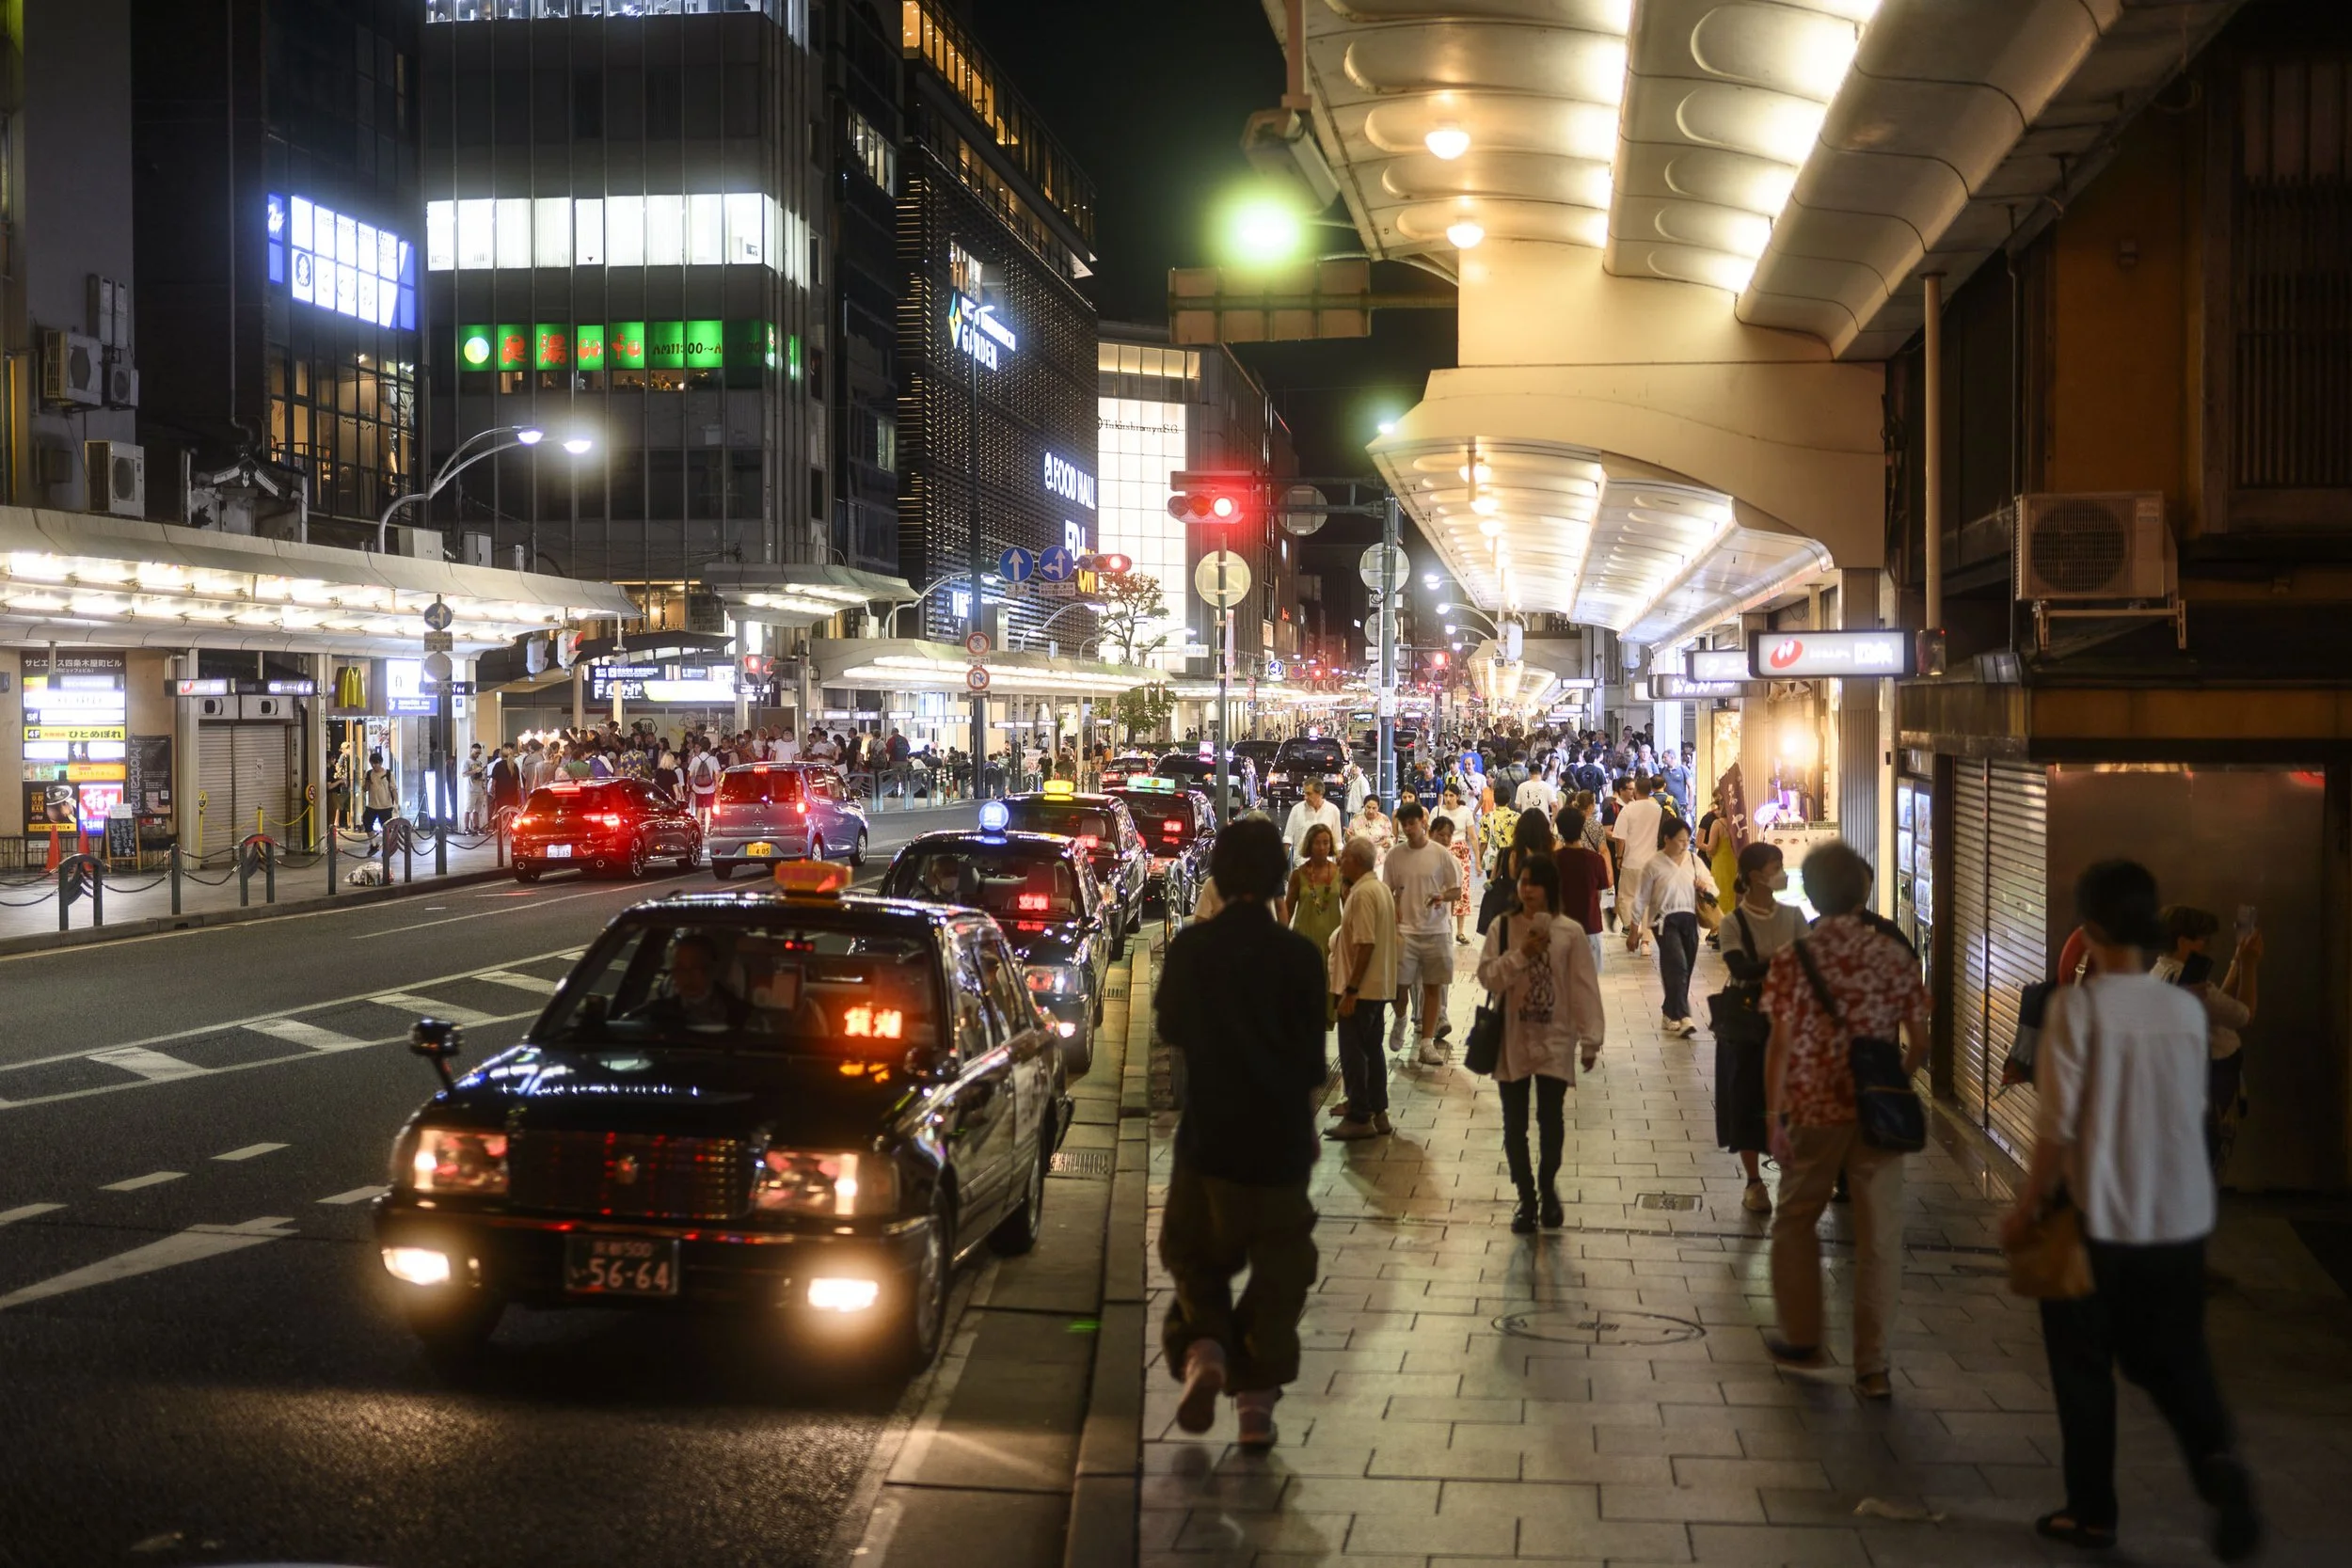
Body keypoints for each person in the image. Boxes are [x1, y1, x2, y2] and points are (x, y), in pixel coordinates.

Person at [2006, 860, 2260, 1560]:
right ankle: (2217, 1460)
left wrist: (2027, 1208)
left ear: (2087, 931)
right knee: (2173, 1358)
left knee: (2084, 1365)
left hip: (2099, 1218)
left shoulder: (2077, 1012)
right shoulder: (2182, 1008)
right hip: (2178, 1218)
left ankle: (2092, 1512)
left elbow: (2056, 1131)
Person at [1153, 817, 1330, 1453]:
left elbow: (1170, 1026)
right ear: (1281, 877)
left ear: (1220, 875)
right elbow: (1315, 1061)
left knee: (1192, 1253)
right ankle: (1256, 1404)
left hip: (1210, 1140)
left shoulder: (1194, 951)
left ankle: (1204, 1347)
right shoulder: (1300, 958)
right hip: (1281, 1144)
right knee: (1282, 1271)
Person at [1760, 842, 1929, 1401]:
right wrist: (1894, 1078)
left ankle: (1804, 1337)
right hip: (1875, 1116)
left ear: (1810, 894)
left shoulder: (1793, 957)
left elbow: (1780, 1043)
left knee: (1794, 1220)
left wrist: (1772, 1114)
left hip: (1813, 1108)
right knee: (1879, 1239)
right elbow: (1921, 1039)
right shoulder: (1893, 956)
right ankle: (1873, 1367)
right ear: (1864, 892)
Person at [1474, 854, 1605, 1234]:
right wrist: (1522, 954)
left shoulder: (1570, 932)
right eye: (1523, 881)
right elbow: (1487, 979)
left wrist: (1591, 1039)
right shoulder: (1503, 927)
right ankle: (1526, 1198)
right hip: (1512, 1038)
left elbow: (1584, 987)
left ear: (1550, 888)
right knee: (1514, 1125)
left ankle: (1548, 1188)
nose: (1526, 889)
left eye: (1534, 882)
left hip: (1555, 1039)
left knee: (1551, 1121)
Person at [1717, 843, 1804, 1212]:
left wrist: (1770, 963)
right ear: (1755, 875)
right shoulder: (1732, 922)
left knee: (1790, 1097)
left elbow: (1808, 964)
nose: (1782, 872)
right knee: (1746, 1097)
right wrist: (1783, 962)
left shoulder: (1794, 914)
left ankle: (1790, 1174)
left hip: (1789, 1018)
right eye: (1776, 866)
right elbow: (1740, 968)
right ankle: (1754, 1182)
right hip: (1747, 1021)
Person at [2150, 906, 2262, 1180]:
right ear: (2182, 941)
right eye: (2202, 939)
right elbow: (2244, 1015)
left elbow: (2216, 1006)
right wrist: (2249, 965)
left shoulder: (2161, 971)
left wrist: (2236, 963)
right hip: (2210, 1085)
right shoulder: (2185, 981)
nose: (2207, 946)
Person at [1326, 836, 1398, 1144]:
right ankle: (1378, 1113)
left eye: (1343, 858)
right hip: (1377, 987)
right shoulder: (1378, 889)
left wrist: (1351, 989)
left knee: (1353, 1053)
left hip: (1363, 989)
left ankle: (1359, 1116)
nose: (1339, 861)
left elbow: (1365, 943)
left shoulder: (1364, 893)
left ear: (1355, 861)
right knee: (1371, 1050)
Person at [1383, 802, 1463, 1066]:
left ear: (1422, 823)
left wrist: (1442, 896)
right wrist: (1394, 909)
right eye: (1403, 825)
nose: (1408, 829)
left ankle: (1427, 1043)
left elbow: (1455, 890)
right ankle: (1402, 1017)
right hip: (1405, 931)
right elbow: (1389, 890)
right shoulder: (1395, 856)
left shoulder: (1441, 854)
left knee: (1432, 986)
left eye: (1412, 823)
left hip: (1436, 930)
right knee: (1399, 987)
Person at [1627, 816, 1717, 1037]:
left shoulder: (1694, 861)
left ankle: (1670, 1011)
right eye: (1679, 840)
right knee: (1677, 965)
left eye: (1687, 840)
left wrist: (1705, 887)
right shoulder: (1653, 864)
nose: (1684, 844)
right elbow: (1641, 898)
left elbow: (1713, 889)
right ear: (1666, 839)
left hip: (1689, 919)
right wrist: (1633, 929)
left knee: (1684, 966)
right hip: (1664, 921)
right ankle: (1684, 1016)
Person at [1550, 806, 1611, 979]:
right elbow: (1599, 892)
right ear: (1582, 827)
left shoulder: (1551, 860)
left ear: (1559, 830)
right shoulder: (1595, 860)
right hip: (1589, 925)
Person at [1282, 823, 1344, 962]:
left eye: (1326, 843)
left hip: (1332, 940)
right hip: (1303, 940)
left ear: (1331, 845)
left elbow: (1349, 907)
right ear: (1309, 845)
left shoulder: (1340, 874)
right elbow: (1288, 909)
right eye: (1317, 843)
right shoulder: (1298, 875)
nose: (1322, 847)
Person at [1433, 814, 1477, 946]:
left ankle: (1459, 932)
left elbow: (1473, 837)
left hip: (1460, 855)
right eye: (1441, 835)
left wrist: (1478, 861)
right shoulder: (1437, 810)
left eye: (1448, 835)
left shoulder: (1465, 812)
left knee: (1460, 896)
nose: (1445, 838)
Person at [1280, 776, 1345, 865]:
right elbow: (1288, 839)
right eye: (1304, 793)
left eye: (1309, 794)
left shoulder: (1333, 811)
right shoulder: (1296, 810)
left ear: (1320, 793)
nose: (1305, 797)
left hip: (1326, 868)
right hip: (1302, 866)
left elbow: (1337, 842)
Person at [359, 750, 398, 836]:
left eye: (376, 763)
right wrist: (367, 783)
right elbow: (365, 789)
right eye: (372, 763)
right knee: (367, 822)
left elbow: (394, 789)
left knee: (386, 828)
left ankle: (388, 846)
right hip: (372, 805)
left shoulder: (389, 774)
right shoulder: (369, 774)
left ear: (380, 763)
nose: (374, 765)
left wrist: (396, 803)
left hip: (386, 806)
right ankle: (373, 843)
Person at [1349, 795, 1392, 863]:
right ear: (1364, 806)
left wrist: (1388, 842)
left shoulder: (1384, 819)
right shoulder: (1356, 819)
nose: (1371, 811)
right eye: (1368, 807)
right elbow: (1349, 840)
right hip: (1360, 858)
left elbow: (1391, 838)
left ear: (1378, 807)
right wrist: (1348, 836)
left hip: (1379, 859)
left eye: (1374, 808)